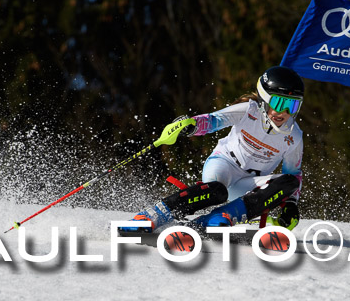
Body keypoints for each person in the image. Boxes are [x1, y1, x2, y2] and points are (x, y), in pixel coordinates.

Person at [122, 65, 305, 232]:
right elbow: (213, 121)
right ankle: (151, 216)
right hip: (224, 164)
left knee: (290, 182)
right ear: (265, 100)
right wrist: (191, 125)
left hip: (249, 183)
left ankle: (218, 218)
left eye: (292, 105)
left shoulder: (294, 137)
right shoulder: (249, 111)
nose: (284, 113)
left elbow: (293, 173)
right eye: (280, 104)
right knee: (217, 191)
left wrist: (290, 205)